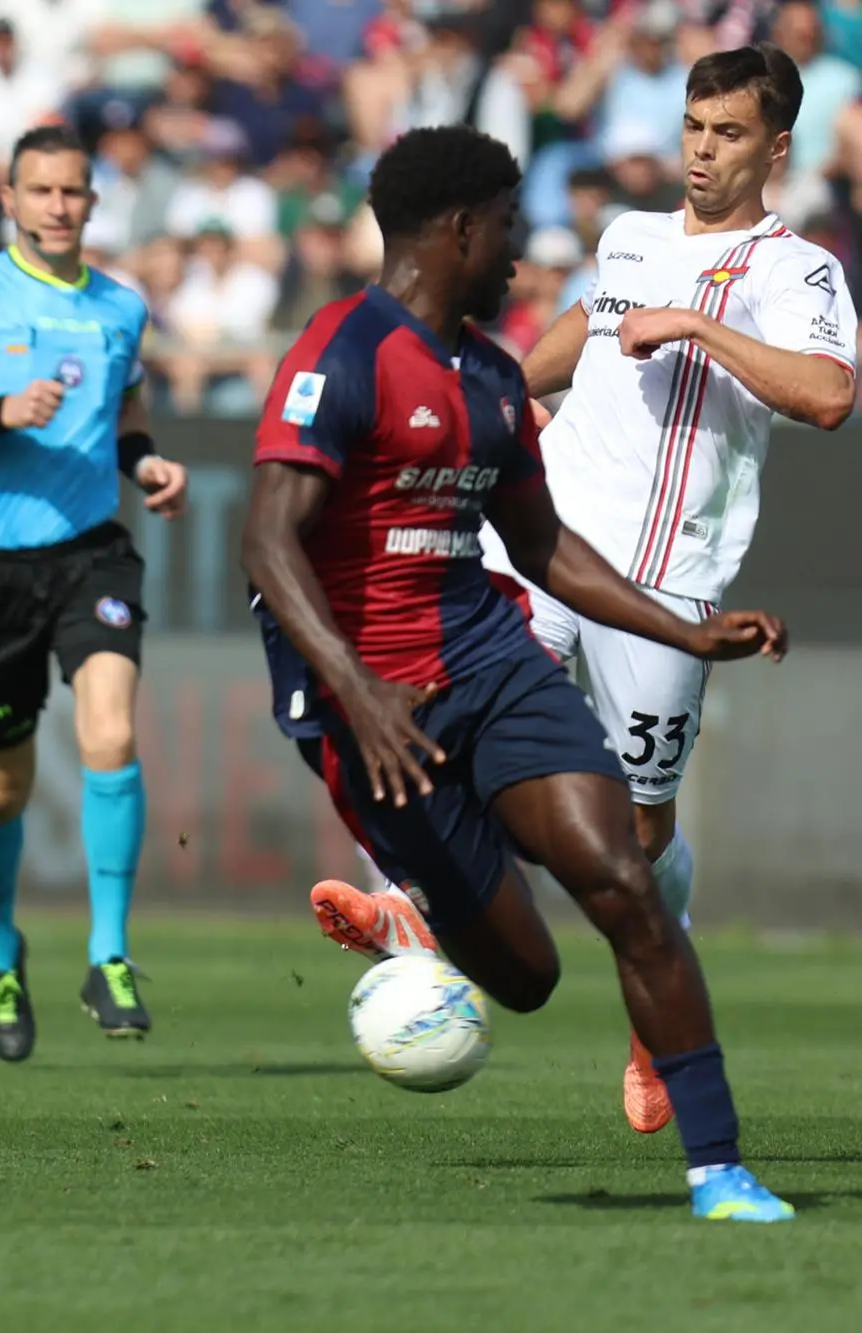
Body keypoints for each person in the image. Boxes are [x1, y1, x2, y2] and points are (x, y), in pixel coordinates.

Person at [243, 125, 795, 1223]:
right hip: (373, 700)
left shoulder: (493, 378)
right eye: (506, 229)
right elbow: (266, 542)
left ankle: (719, 1168)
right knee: (529, 978)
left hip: (489, 656)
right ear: (458, 229)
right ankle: (430, 917)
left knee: (625, 882)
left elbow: (542, 548)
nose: (521, 252)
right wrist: (352, 689)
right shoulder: (340, 352)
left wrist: (683, 633)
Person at [321, 44, 858, 1139]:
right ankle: (410, 905)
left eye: (729, 134)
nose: (702, 152)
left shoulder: (796, 273)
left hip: (666, 583)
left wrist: (704, 327)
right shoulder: (628, 238)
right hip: (545, 546)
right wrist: (495, 401)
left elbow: (830, 395)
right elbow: (567, 344)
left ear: (776, 147)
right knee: (432, 701)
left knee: (638, 837)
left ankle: (651, 1005)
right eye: (694, 129)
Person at [0, 124, 190, 1064]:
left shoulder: (119, 309)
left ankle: (108, 951)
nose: (58, 207)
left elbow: (122, 412)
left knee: (110, 733)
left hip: (92, 553)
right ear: (9, 200)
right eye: (41, 191)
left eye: (73, 192)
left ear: (94, 203)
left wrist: (144, 464)